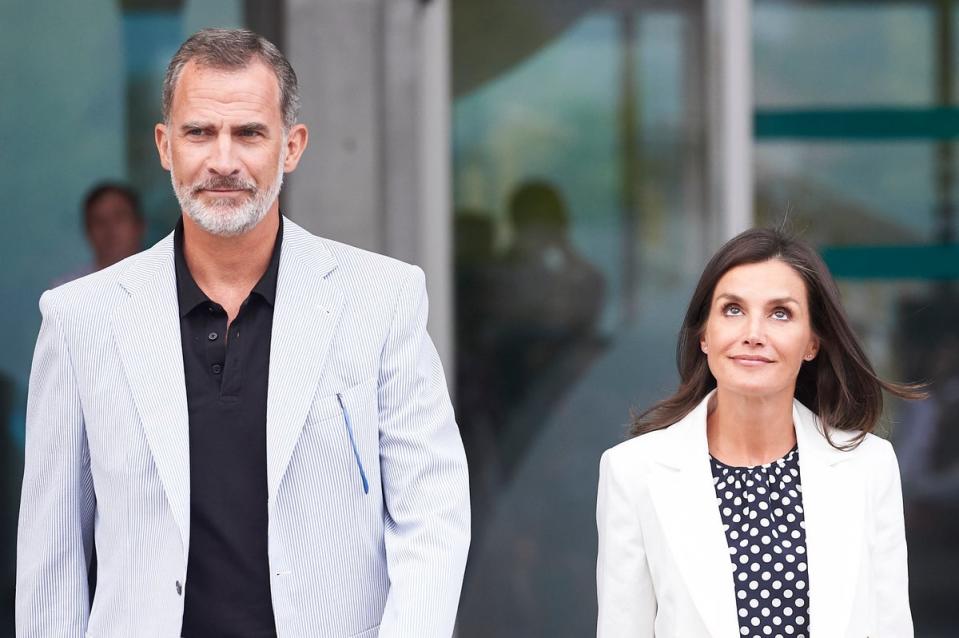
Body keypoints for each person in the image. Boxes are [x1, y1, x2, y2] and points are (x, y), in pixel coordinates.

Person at [17, 28, 470, 638]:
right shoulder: (80, 319)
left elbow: (432, 513)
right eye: (199, 132)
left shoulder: (381, 300)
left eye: (249, 133)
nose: (223, 160)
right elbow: (52, 558)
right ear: (164, 146)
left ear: (292, 146)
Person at [596, 228, 920, 637]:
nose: (753, 333)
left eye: (780, 313)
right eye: (733, 310)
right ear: (704, 335)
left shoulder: (869, 466)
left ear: (812, 343)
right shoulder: (633, 472)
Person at [53, 182, 146, 285]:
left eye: (119, 217)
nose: (110, 229)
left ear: (139, 225)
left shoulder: (163, 278)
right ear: (88, 231)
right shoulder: (67, 290)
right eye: (99, 221)